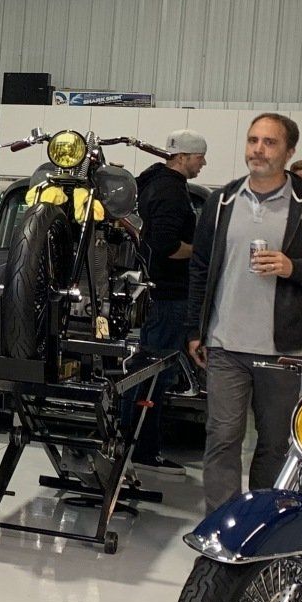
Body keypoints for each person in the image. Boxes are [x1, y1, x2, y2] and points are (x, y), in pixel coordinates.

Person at [187, 113, 302, 513]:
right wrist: (195, 329)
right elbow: (201, 268)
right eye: (253, 140)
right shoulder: (221, 200)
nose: (258, 149)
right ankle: (221, 525)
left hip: (283, 350)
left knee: (275, 444)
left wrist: (294, 268)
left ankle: (260, 522)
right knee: (222, 438)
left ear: (289, 152)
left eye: (270, 142)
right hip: (225, 345)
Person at [127, 129, 207, 472]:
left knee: (148, 370)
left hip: (158, 292)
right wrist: (204, 251)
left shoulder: (150, 183)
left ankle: (135, 442)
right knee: (154, 373)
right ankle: (141, 448)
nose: (204, 163)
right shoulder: (172, 192)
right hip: (171, 295)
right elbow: (166, 246)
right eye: (200, 157)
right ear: (184, 157)